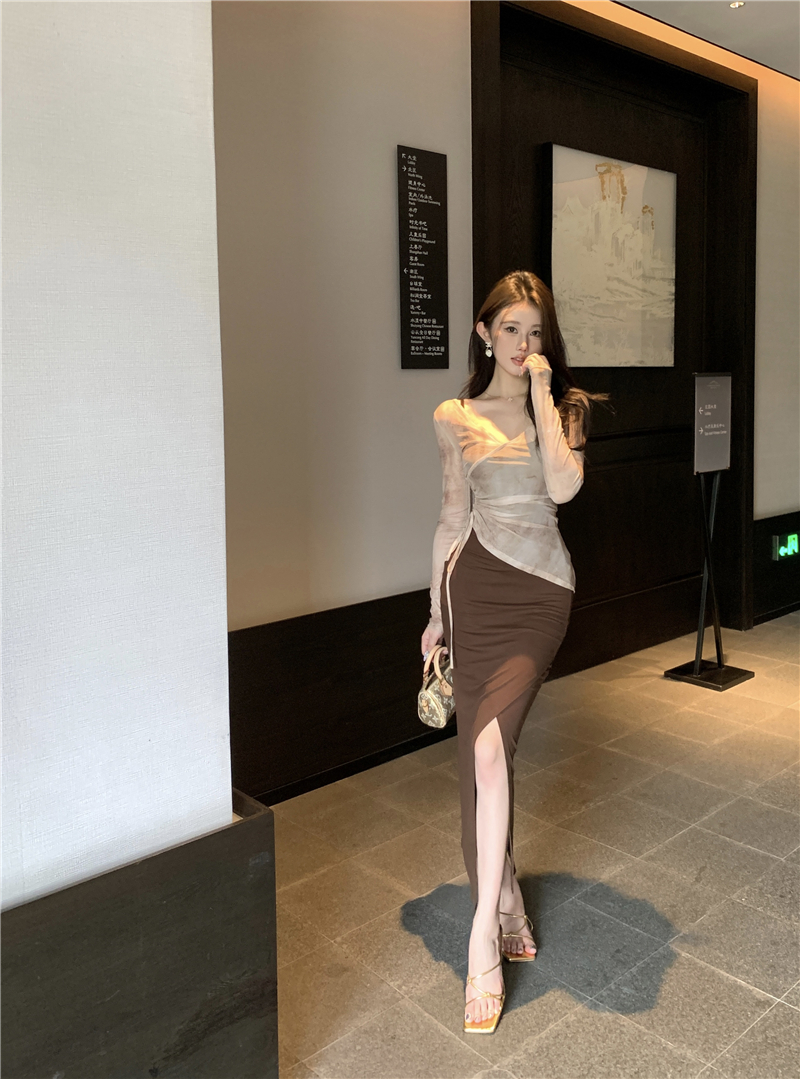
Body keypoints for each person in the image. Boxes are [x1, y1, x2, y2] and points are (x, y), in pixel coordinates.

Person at [420, 270, 608, 1035]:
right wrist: (435, 613)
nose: (523, 344)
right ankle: (501, 900)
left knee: (491, 746)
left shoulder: (565, 406)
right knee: (481, 757)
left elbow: (562, 489)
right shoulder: (453, 416)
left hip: (540, 595)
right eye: (511, 330)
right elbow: (449, 517)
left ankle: (481, 937)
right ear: (484, 332)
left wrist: (540, 389)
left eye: (535, 332)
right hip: (474, 590)